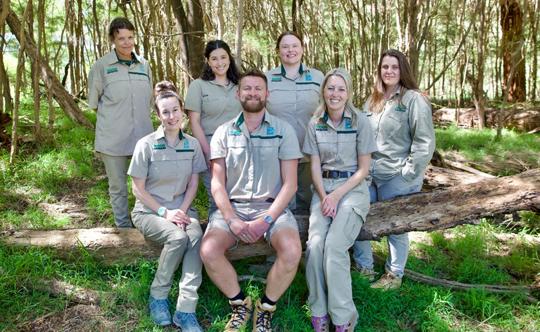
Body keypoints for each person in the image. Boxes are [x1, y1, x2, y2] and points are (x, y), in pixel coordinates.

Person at [200, 69, 303, 332]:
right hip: (232, 208)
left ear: (267, 94)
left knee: (292, 250)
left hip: (273, 209)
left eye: (258, 88)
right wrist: (232, 219)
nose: (253, 93)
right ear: (238, 93)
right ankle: (239, 304)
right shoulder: (223, 133)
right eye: (247, 88)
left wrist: (266, 220)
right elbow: (217, 183)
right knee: (208, 250)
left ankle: (265, 308)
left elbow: (290, 184)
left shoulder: (283, 130)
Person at [352, 49, 435, 290]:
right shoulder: (372, 100)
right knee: (358, 218)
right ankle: (364, 267)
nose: (389, 71)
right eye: (385, 67)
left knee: (396, 226)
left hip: (397, 175)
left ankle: (393, 274)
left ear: (403, 71)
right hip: (369, 174)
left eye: (394, 67)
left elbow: (424, 142)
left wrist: (408, 174)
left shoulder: (413, 99)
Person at [128, 81, 206, 330]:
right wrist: (165, 212)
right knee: (177, 238)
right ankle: (158, 296)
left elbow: (194, 183)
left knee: (195, 236)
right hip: (150, 211)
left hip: (181, 208)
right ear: (158, 115)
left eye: (175, 110)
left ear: (182, 110)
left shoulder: (192, 144)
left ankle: (185, 309)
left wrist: (181, 210)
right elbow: (137, 189)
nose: (172, 116)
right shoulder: (146, 144)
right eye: (165, 112)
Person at [303, 68, 376, 332]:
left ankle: (343, 319)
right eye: (330, 88)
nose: (335, 94)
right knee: (315, 247)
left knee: (334, 246)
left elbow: (364, 169)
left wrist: (336, 195)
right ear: (323, 91)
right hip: (323, 190)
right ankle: (318, 310)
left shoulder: (359, 121)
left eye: (341, 89)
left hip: (352, 190)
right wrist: (324, 196)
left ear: (348, 93)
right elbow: (314, 166)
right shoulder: (315, 123)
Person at [87, 17, 153, 228]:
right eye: (121, 38)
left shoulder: (144, 65)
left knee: (147, 185)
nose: (127, 42)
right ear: (112, 40)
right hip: (113, 139)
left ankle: (148, 226)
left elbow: (150, 100)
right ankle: (124, 229)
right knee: (118, 188)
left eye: (130, 37)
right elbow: (94, 103)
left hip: (143, 138)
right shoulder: (101, 66)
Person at [265, 31, 324, 214]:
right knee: (282, 205)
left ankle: (309, 243)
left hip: (311, 154)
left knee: (309, 203)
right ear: (278, 51)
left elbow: (328, 110)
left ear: (302, 49)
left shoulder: (317, 77)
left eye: (294, 45)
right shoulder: (267, 78)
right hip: (278, 155)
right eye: (285, 46)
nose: (290, 50)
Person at [185, 40, 242, 213]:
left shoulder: (240, 85)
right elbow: (194, 122)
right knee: (216, 198)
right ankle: (215, 234)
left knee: (237, 196)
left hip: (239, 147)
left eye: (223, 57)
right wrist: (208, 153)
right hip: (209, 146)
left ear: (230, 59)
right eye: (214, 58)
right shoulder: (198, 86)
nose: (220, 62)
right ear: (208, 61)